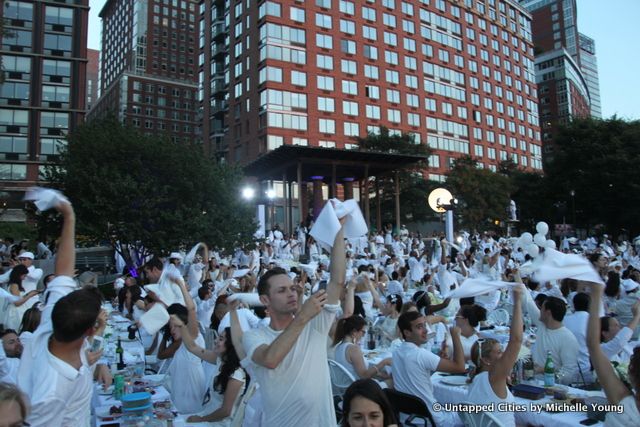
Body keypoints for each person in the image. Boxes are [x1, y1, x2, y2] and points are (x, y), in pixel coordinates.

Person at [242, 217, 346, 426]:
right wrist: (302, 316)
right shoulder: (254, 336)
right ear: (265, 301)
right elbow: (270, 359)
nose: (291, 293)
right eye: (281, 290)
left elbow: (337, 282)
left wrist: (338, 229)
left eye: (291, 288)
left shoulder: (314, 324)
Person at [17, 197, 111, 427]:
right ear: (89, 330)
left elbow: (63, 271)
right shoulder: (50, 391)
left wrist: (69, 216)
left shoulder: (56, 319)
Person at [392, 311, 465, 425]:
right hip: (431, 420)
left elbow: (416, 372)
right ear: (407, 332)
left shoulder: (396, 352)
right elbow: (460, 367)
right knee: (474, 411)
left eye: (424, 325)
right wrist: (456, 336)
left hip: (407, 419)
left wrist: (437, 362)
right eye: (419, 327)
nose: (426, 330)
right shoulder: (421, 354)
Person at [467, 285, 524, 427]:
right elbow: (516, 341)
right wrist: (517, 302)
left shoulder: (476, 379)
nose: (504, 354)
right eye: (499, 352)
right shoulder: (493, 378)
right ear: (485, 360)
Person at [586, 282, 640, 426]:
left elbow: (592, 344)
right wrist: (636, 317)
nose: (620, 327)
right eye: (615, 325)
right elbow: (597, 343)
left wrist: (597, 294)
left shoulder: (624, 402)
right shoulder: (605, 348)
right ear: (604, 332)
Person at [164, 277, 207, 414]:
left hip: (190, 407)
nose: (172, 330)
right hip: (179, 403)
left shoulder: (194, 340)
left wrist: (181, 285)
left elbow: (192, 310)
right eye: (171, 327)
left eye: (176, 326)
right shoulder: (182, 345)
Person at [521, 291, 580, 384]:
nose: (539, 310)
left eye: (542, 308)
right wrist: (517, 277)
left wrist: (544, 370)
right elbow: (528, 301)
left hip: (552, 388)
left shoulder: (568, 338)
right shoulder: (542, 325)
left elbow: (569, 374)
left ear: (548, 313)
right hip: (532, 382)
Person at [332, 315, 391, 382]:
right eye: (363, 332)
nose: (363, 335)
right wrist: (384, 362)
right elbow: (364, 376)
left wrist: (379, 374)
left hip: (345, 384)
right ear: (354, 331)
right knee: (392, 382)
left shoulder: (338, 346)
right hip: (356, 387)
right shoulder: (353, 349)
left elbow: (353, 370)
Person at [2, 265, 39, 330]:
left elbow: (19, 297)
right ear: (19, 274)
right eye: (24, 275)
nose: (24, 278)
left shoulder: (14, 284)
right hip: (15, 312)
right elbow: (17, 303)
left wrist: (29, 294)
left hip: (17, 310)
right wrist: (29, 295)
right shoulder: (14, 285)